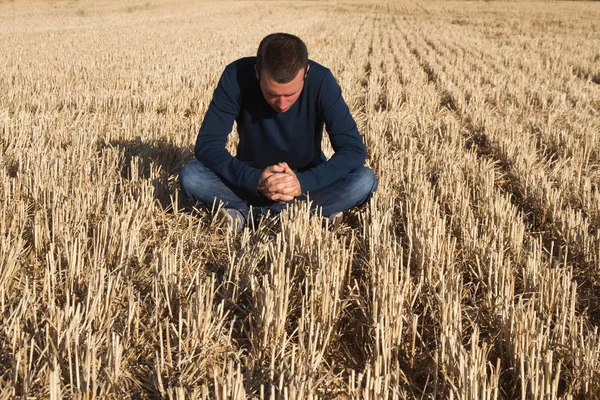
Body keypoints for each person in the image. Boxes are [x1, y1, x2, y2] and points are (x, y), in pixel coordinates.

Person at [179, 33, 377, 231]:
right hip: (249, 183)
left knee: (364, 180)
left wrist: (302, 183)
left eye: (290, 94)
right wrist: (255, 180)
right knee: (192, 175)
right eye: (272, 93)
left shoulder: (322, 80)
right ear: (257, 73)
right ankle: (310, 215)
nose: (282, 104)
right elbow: (208, 145)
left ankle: (246, 214)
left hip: (307, 186)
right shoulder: (235, 76)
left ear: (306, 72)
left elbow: (352, 150)